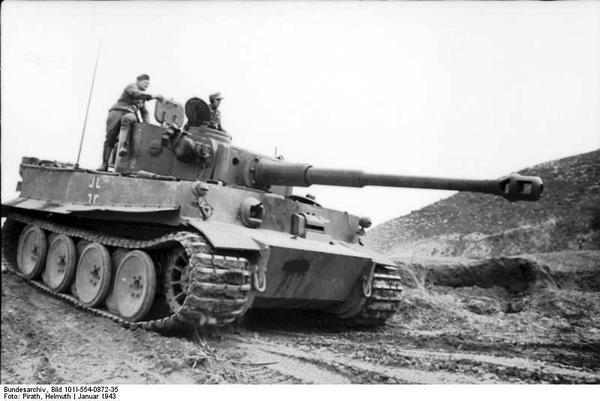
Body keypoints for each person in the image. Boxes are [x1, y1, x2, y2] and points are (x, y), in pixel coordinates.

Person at [99, 74, 163, 171]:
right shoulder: (131, 87)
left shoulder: (142, 99)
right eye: (145, 83)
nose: (147, 85)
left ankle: (124, 146)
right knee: (110, 139)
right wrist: (153, 96)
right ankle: (104, 164)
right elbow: (135, 94)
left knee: (128, 119)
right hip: (117, 112)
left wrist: (147, 126)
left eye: (148, 84)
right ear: (138, 81)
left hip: (130, 114)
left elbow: (144, 112)